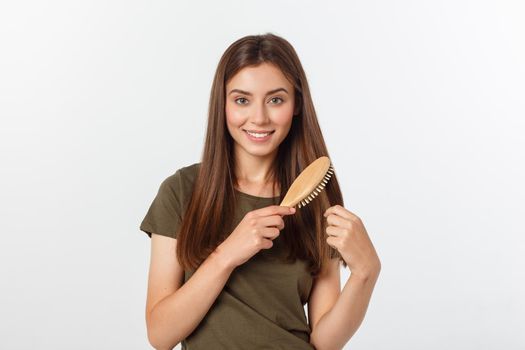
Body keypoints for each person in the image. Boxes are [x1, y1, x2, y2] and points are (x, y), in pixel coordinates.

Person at [139, 33, 381, 350]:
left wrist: (366, 274)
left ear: (296, 105)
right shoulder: (181, 192)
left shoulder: (316, 199)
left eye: (275, 100)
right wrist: (227, 255)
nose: (259, 118)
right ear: (222, 105)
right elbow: (160, 334)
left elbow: (325, 341)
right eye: (242, 100)